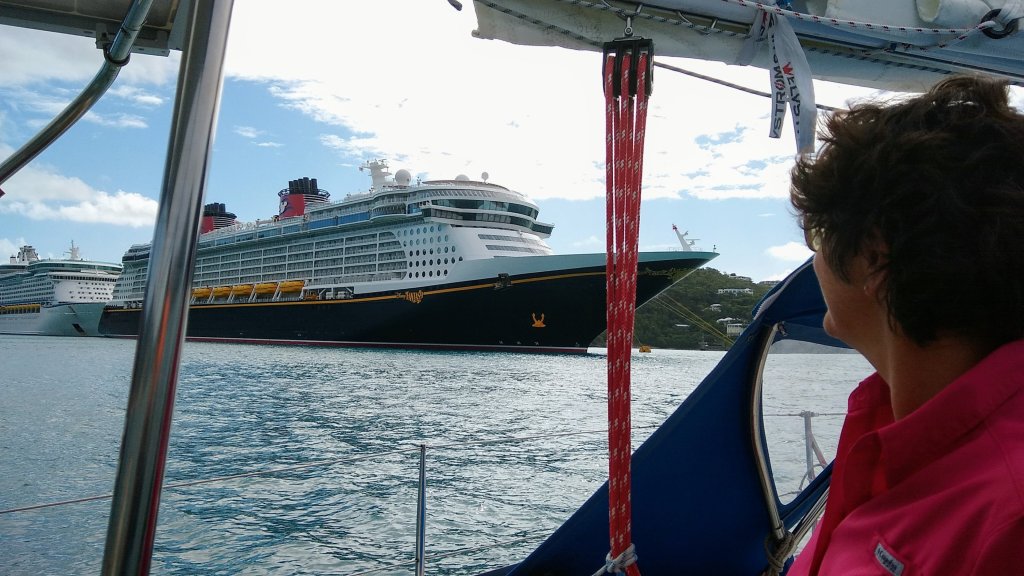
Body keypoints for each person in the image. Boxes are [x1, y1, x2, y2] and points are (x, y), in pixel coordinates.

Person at [787, 75, 1024, 575]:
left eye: (820, 233)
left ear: (875, 258)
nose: (814, 260)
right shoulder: (888, 425)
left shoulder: (1009, 519)